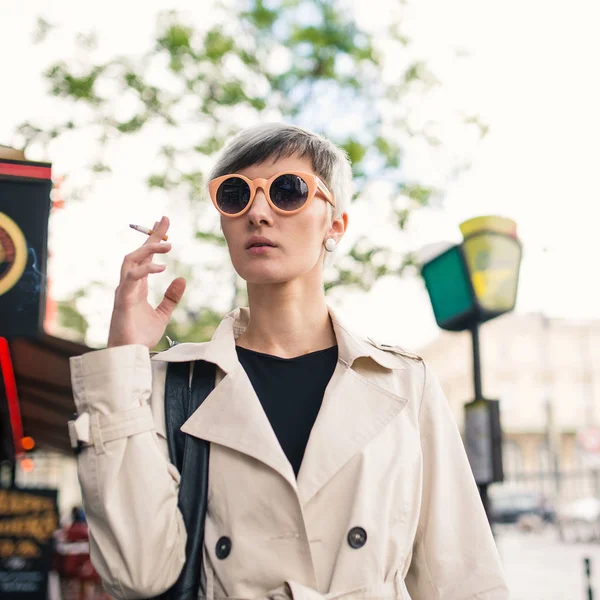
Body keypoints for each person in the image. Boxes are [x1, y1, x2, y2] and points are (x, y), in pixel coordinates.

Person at [68, 123, 509, 600]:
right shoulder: (169, 384)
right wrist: (121, 359)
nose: (258, 212)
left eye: (288, 191)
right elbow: (137, 575)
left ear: (335, 222)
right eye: (235, 194)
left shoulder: (404, 384)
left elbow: (465, 582)